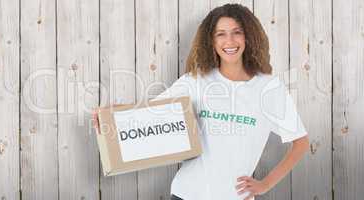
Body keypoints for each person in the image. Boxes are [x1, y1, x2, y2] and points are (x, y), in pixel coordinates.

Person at [93, 3, 309, 200]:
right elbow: (150, 112)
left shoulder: (269, 88)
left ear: (248, 37)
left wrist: (264, 185)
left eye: (237, 33)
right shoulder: (196, 81)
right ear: (211, 41)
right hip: (186, 193)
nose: (229, 41)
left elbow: (300, 142)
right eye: (220, 34)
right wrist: (109, 114)